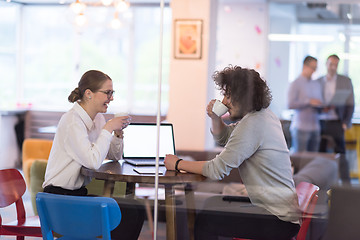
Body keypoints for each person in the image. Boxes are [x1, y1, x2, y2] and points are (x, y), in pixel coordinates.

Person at [165, 66, 300, 240]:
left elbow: (217, 170)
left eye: (228, 95)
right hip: (278, 213)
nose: (224, 101)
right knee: (212, 203)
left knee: (206, 222)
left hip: (277, 221)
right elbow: (225, 138)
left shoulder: (253, 124)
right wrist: (215, 118)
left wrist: (177, 163)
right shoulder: (263, 116)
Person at [42, 70, 145, 239]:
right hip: (58, 199)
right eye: (107, 93)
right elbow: (92, 161)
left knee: (136, 209)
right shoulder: (72, 121)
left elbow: (114, 155)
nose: (111, 98)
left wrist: (117, 134)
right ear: (89, 94)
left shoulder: (97, 119)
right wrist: (109, 128)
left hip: (76, 195)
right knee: (126, 214)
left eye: (112, 93)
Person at [317, 54, 355, 184]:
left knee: (341, 153)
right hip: (320, 122)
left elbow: (350, 104)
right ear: (326, 64)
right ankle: (320, 183)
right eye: (331, 64)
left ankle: (346, 185)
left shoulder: (345, 81)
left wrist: (345, 122)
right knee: (320, 154)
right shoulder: (318, 81)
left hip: (337, 122)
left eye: (336, 65)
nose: (333, 67)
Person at [288, 55, 323, 152]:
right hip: (301, 128)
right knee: (300, 160)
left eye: (315, 68)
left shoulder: (316, 84)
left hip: (315, 127)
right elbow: (290, 104)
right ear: (304, 66)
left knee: (313, 159)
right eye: (312, 68)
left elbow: (319, 101)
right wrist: (308, 102)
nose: (314, 71)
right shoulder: (295, 83)